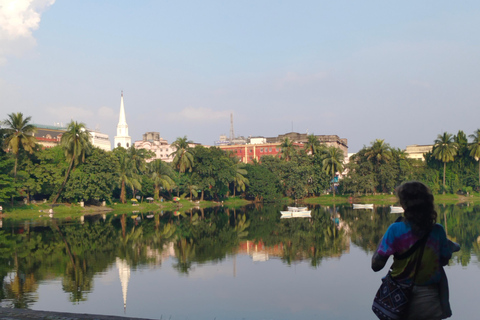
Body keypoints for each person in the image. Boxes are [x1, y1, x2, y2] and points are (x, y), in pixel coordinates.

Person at [372, 181, 460, 320]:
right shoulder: (438, 231)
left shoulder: (395, 230)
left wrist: (384, 237)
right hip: (429, 300)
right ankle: (446, 307)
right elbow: (443, 260)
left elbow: (376, 266)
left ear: (404, 204)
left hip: (398, 299)